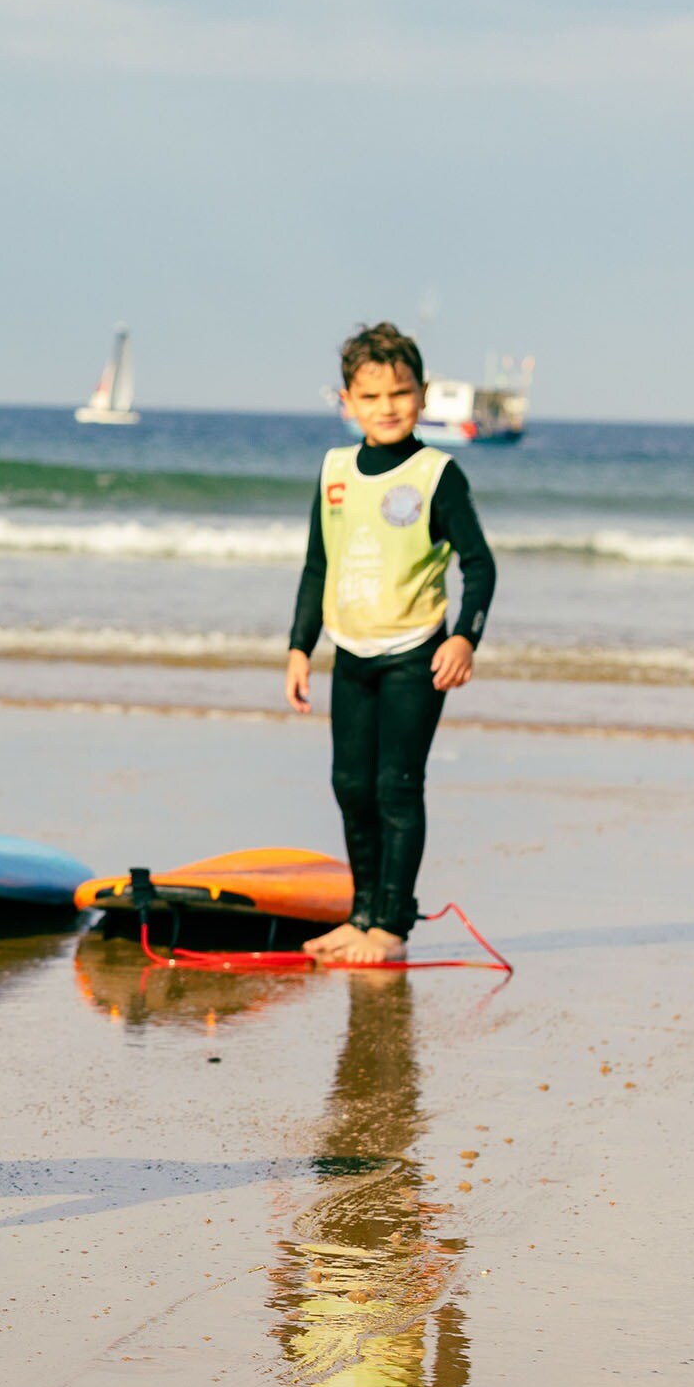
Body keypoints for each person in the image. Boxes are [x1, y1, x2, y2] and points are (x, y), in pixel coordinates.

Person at [284, 321, 496, 963]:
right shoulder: (335, 471)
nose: (387, 408)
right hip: (351, 652)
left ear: (422, 395)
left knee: (396, 787)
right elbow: (318, 564)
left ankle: (393, 927)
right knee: (351, 785)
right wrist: (300, 646)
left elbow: (479, 564)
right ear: (346, 402)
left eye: (399, 393)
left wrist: (465, 639)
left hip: (415, 653)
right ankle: (362, 913)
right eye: (370, 397)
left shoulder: (438, 474)